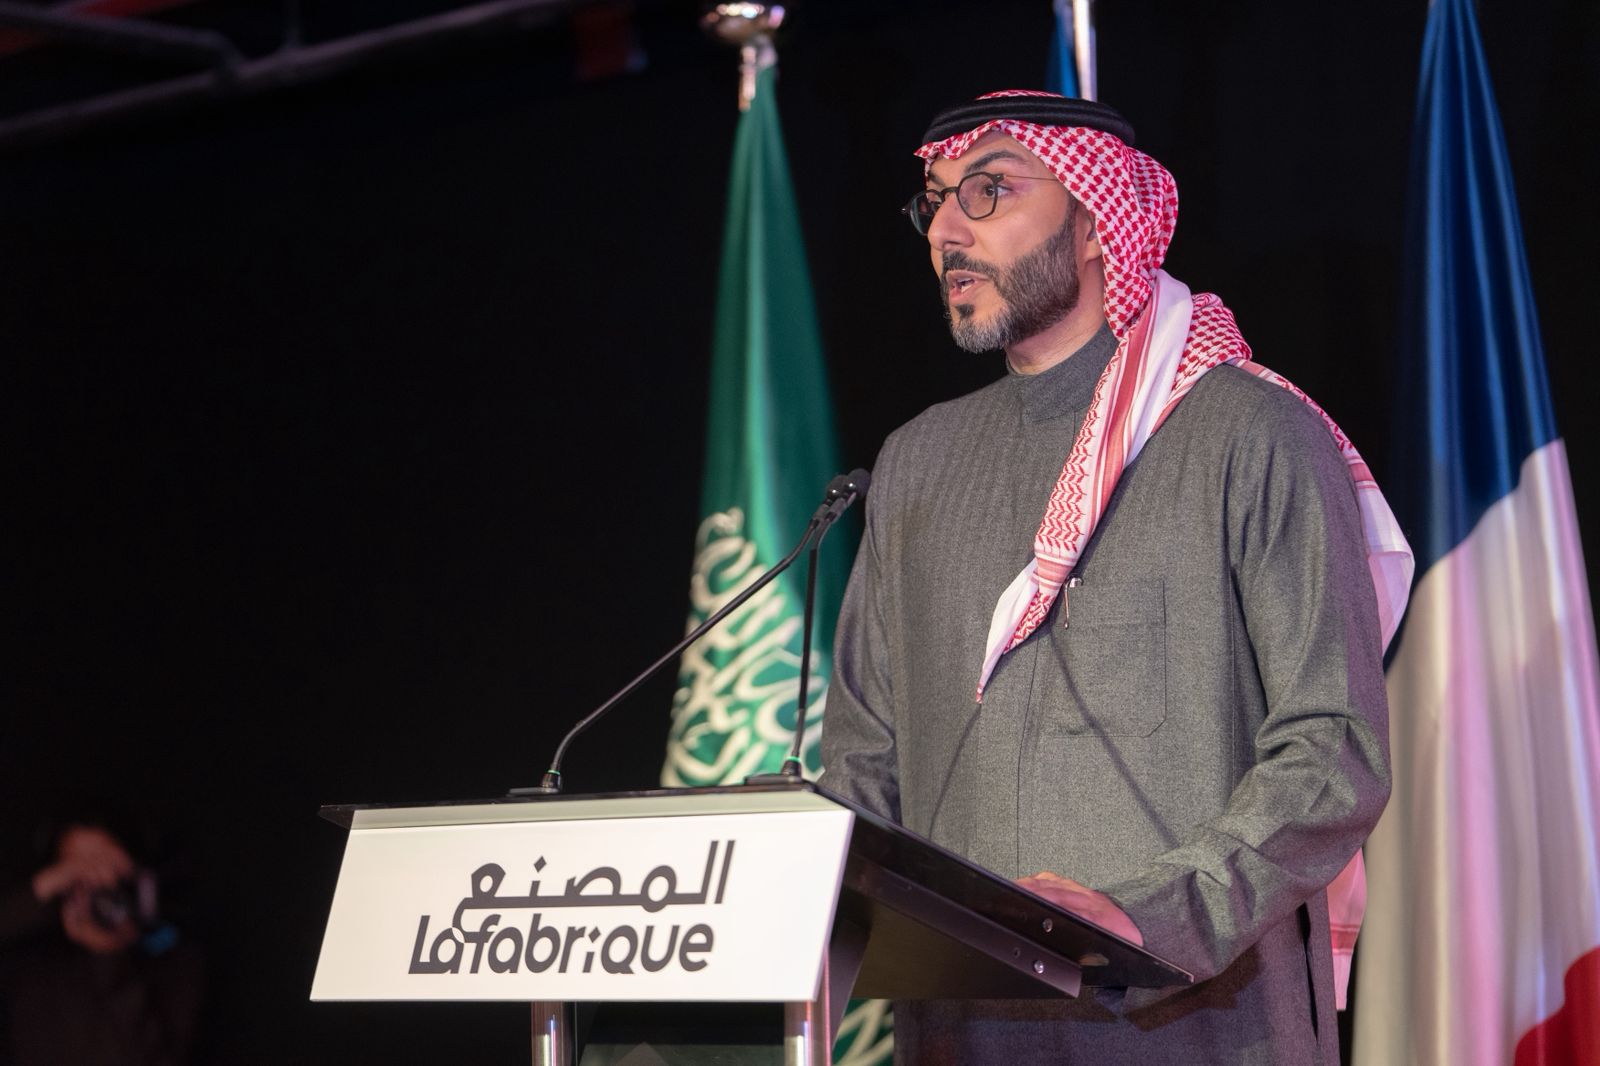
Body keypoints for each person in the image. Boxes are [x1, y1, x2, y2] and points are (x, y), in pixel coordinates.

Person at [818, 90, 1412, 1065]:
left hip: (1199, 1029)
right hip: (959, 1036)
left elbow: (1334, 750)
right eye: (935, 201)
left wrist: (1150, 917)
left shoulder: (1248, 431)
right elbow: (863, 765)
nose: (947, 232)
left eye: (988, 191)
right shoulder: (916, 462)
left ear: (1098, 221)